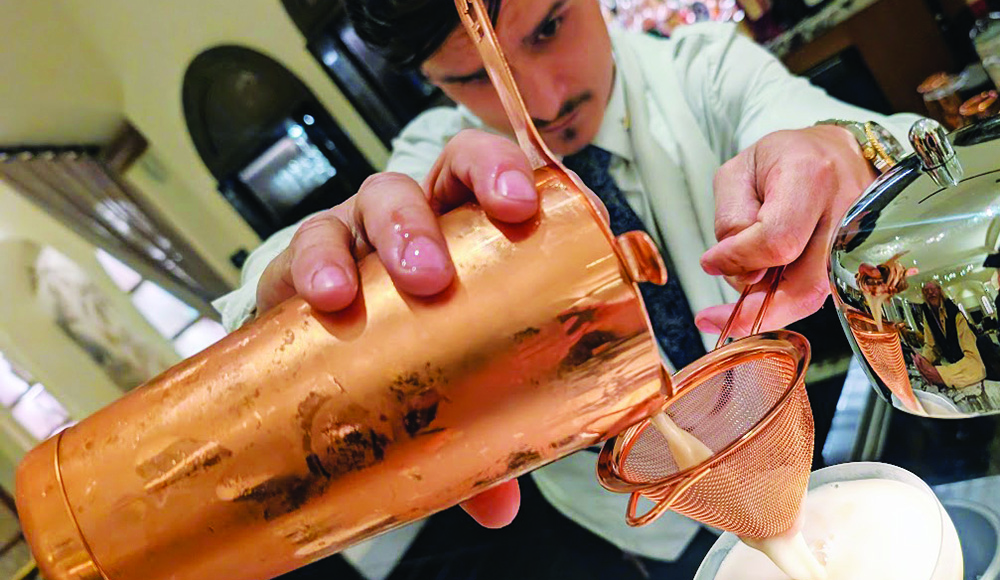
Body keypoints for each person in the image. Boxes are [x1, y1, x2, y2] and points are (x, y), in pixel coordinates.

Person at [213, 0, 923, 574]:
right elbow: (293, 262)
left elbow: (855, 128)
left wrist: (844, 152)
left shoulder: (702, 69)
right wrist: (292, 309)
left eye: (549, 27)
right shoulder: (437, 160)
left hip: (784, 446)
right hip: (625, 522)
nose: (542, 101)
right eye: (472, 78)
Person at [913, 281, 986, 389]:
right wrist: (923, 360)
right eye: (926, 291)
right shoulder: (928, 314)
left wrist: (941, 374)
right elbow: (931, 346)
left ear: (940, 291)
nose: (930, 293)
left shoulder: (956, 314)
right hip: (952, 362)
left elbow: (975, 362)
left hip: (974, 365)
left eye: (933, 289)